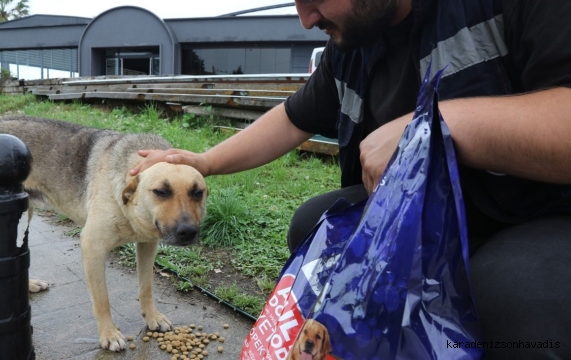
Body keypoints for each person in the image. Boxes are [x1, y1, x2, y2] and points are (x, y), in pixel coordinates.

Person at [131, 0, 571, 358]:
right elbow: (291, 119)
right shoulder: (352, 45)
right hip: (429, 218)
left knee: (513, 297)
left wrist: (431, 124)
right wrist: (203, 161)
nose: (305, 19)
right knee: (314, 226)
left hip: (537, 213)